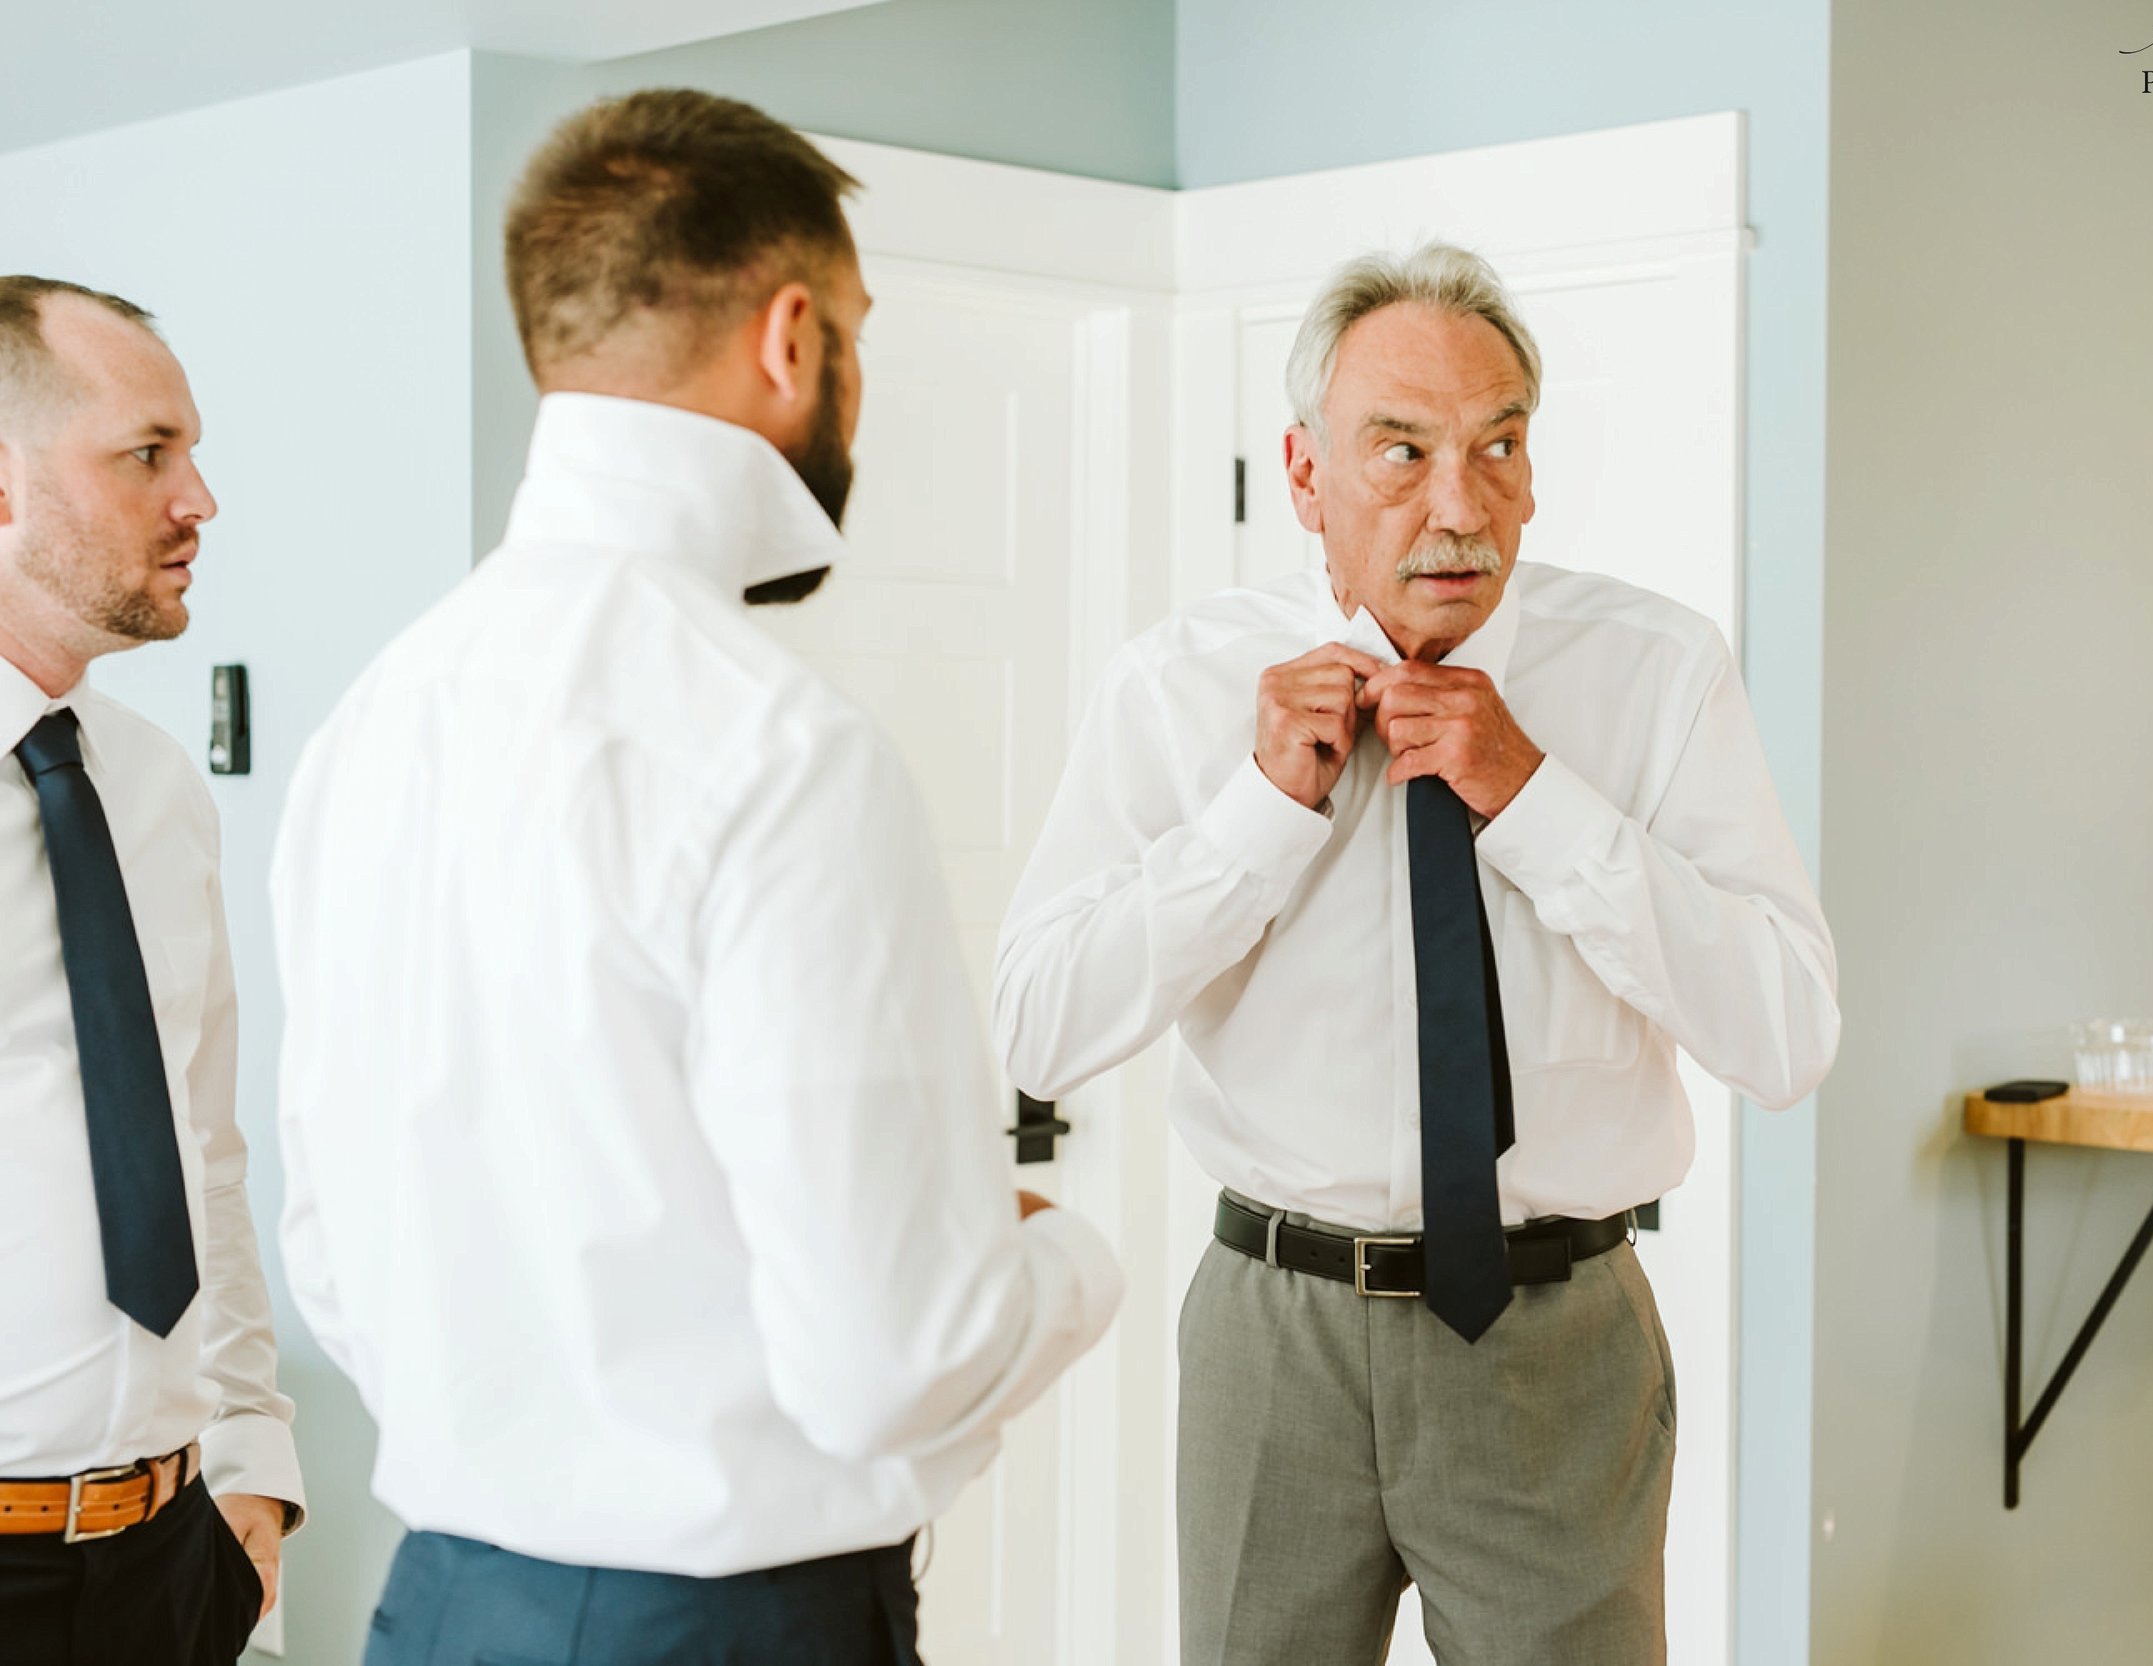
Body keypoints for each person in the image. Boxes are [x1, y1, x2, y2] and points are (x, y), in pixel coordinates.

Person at [271, 90, 1121, 1665]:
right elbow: (892, 1362)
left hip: (441, 1608)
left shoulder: (372, 719)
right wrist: (1066, 1259)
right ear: (793, 339)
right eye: (860, 336)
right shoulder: (780, 751)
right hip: (723, 1628)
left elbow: (332, 1255)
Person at [995, 243, 1841, 1664]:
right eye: (1402, 452)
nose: (1461, 507)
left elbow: (1789, 1032)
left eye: (1497, 447)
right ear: (1306, 472)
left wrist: (1541, 801)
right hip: (1276, 1336)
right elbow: (1038, 1022)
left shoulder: (1657, 673)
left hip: (1554, 1346)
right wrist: (1257, 814)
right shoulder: (1178, 684)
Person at [0, 276, 302, 1664]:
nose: (200, 500)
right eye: (148, 453)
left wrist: (253, 1459)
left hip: (171, 1568)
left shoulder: (159, 789)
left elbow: (200, 1151)